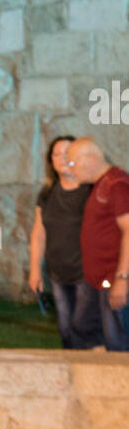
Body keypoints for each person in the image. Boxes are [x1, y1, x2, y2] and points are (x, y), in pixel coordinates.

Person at [28, 136, 101, 349]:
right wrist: (34, 270)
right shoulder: (48, 193)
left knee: (83, 326)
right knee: (66, 329)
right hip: (58, 273)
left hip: (87, 273)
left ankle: (91, 372)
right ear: (50, 161)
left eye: (67, 153)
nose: (62, 159)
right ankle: (73, 373)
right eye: (56, 154)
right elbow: (38, 233)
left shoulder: (92, 190)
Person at [67, 137, 129, 352]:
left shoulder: (117, 185)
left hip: (114, 278)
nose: (69, 169)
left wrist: (122, 279)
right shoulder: (102, 184)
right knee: (87, 329)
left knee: (118, 341)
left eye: (72, 163)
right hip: (98, 279)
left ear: (91, 159)